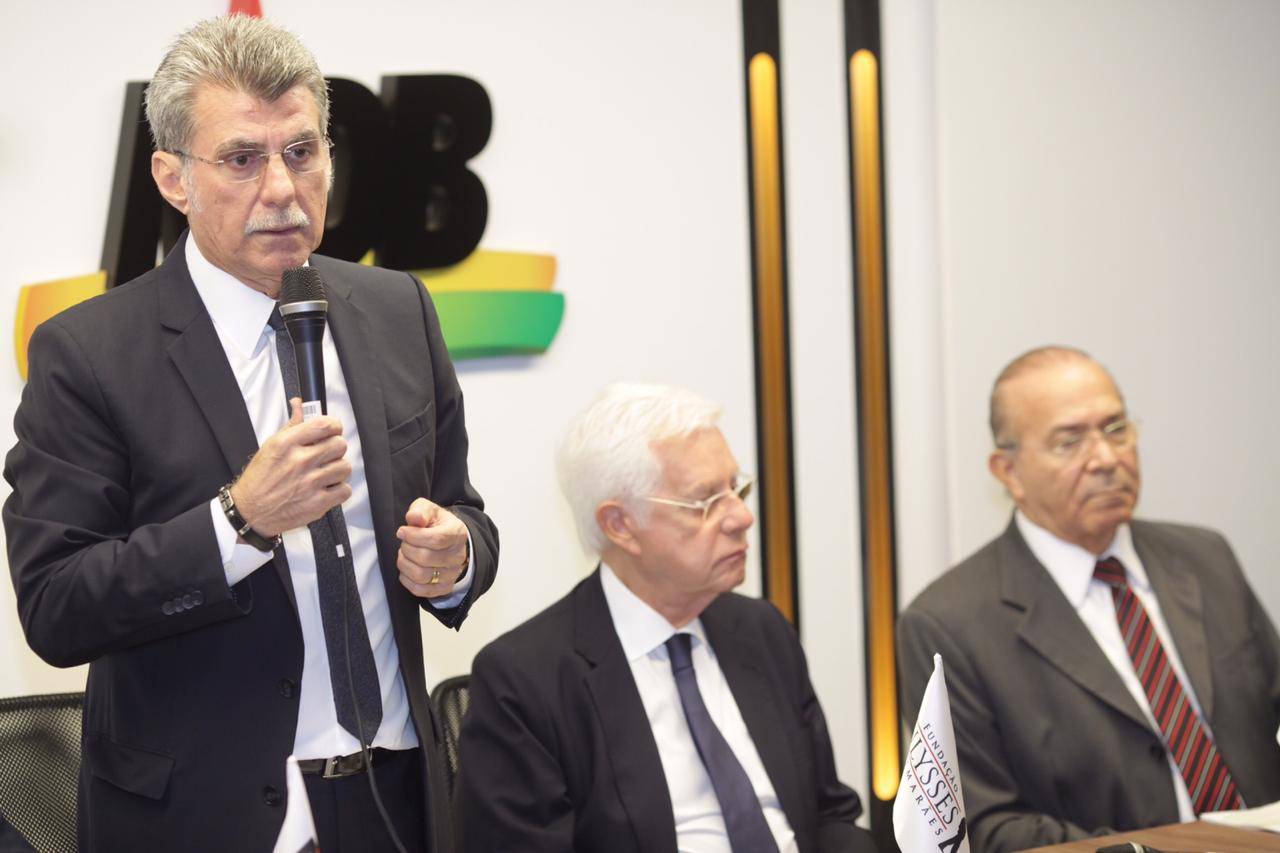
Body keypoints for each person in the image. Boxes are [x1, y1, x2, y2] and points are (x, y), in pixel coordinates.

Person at [4, 15, 498, 853]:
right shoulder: (88, 353)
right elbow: (56, 607)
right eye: (241, 159)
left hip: (396, 795)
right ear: (172, 178)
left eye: (301, 152)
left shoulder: (399, 309)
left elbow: (465, 514)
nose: (281, 188)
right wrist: (237, 522)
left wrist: (456, 560)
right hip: (207, 813)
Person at [455, 382, 876, 852]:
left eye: (736, 488)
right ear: (620, 525)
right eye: (706, 502)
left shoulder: (761, 630)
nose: (742, 517)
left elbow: (829, 815)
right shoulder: (525, 682)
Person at [897, 346, 1280, 852]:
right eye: (1069, 441)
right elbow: (985, 828)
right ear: (1008, 471)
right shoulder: (948, 623)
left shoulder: (1205, 558)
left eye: (1116, 429)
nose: (1106, 458)